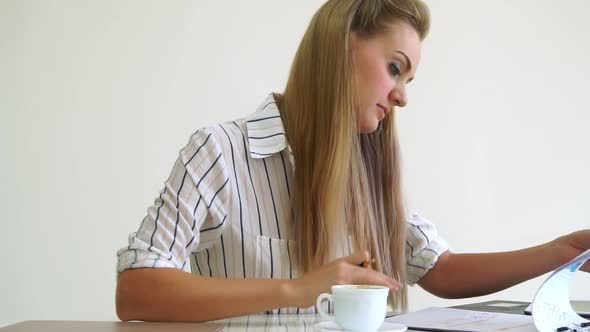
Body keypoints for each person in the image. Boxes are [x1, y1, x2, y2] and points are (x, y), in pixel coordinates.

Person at [115, 0, 590, 323]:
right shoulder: (219, 152)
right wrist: (298, 289)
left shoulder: (367, 174)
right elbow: (136, 289)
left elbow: (439, 269)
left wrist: (561, 251)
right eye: (395, 68)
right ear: (343, 47)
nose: (402, 96)